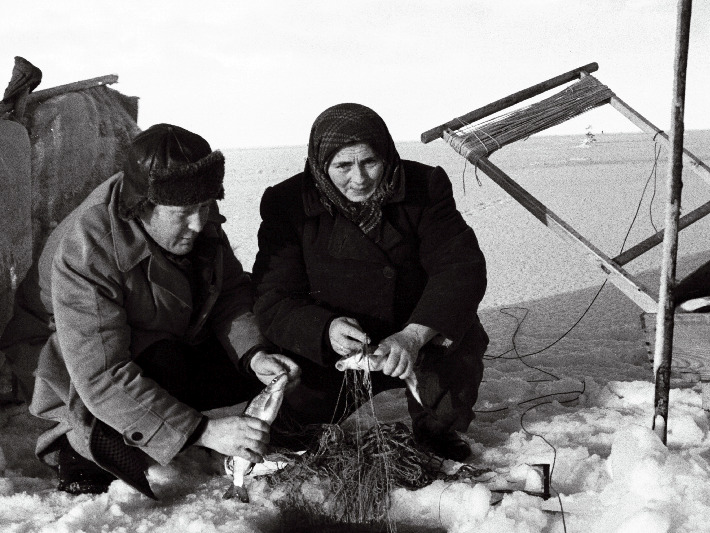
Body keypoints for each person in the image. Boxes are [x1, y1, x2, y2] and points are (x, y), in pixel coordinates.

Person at [12, 124, 300, 498]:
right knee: (153, 375)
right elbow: (101, 373)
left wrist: (254, 355)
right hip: (70, 364)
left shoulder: (193, 210)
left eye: (205, 206)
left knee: (271, 352)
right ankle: (79, 447)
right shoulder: (88, 245)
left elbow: (229, 292)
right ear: (141, 206)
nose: (199, 223)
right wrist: (205, 432)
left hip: (161, 331)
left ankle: (174, 420)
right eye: (183, 212)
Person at [252, 103, 488, 461]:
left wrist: (414, 334)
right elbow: (273, 296)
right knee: (295, 435)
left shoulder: (425, 187)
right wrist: (325, 330)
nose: (359, 178)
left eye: (370, 162)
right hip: (337, 349)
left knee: (453, 368)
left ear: (387, 154)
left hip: (411, 336)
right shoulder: (287, 204)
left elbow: (460, 268)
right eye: (343, 166)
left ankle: (436, 431)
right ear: (320, 164)